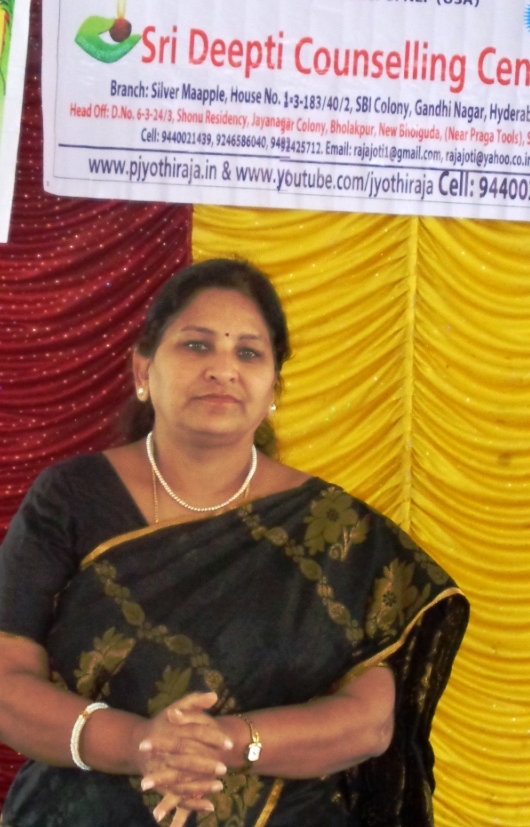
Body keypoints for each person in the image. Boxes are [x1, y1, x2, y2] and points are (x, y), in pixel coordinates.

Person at [0, 258, 469, 827]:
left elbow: (369, 721)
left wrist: (226, 742)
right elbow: (7, 682)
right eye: (196, 345)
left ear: (273, 388)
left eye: (248, 353)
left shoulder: (331, 527)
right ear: (143, 369)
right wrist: (139, 745)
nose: (222, 369)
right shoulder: (72, 498)